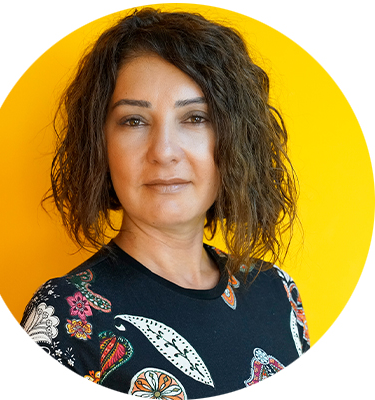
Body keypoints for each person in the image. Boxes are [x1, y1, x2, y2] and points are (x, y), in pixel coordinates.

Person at [21, 8, 310, 398]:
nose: (164, 151)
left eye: (195, 118)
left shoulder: (278, 292)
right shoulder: (63, 316)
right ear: (100, 145)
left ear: (235, 139)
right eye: (134, 121)